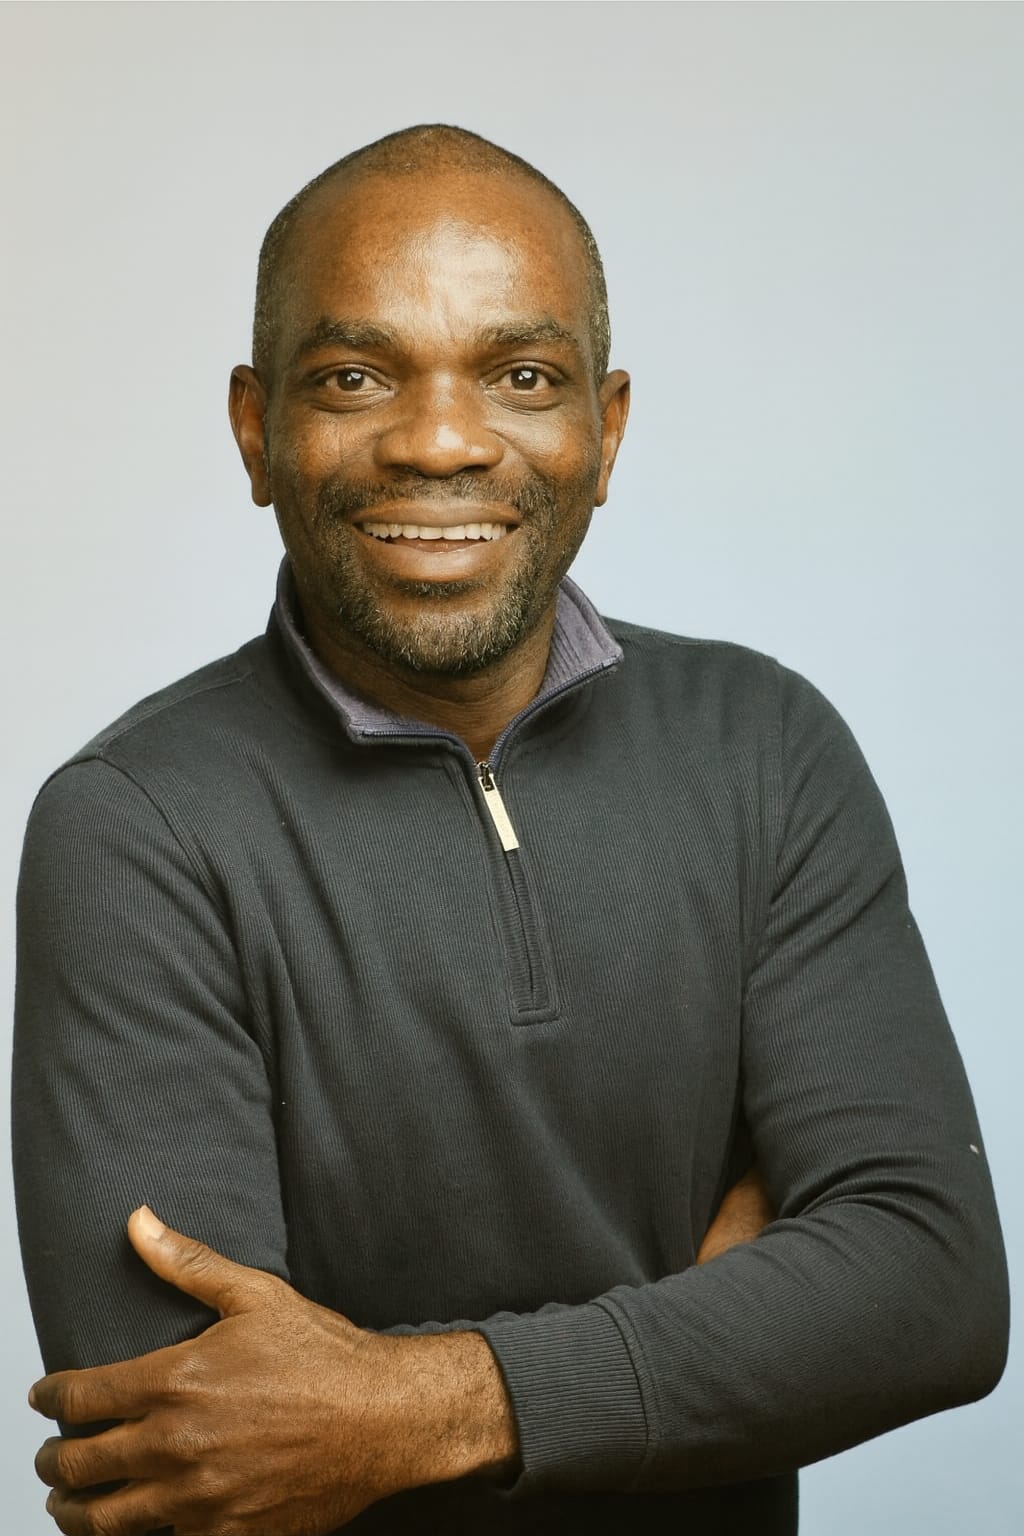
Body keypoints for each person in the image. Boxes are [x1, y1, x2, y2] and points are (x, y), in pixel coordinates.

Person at [13, 124, 1007, 1536]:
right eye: (355, 377)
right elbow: (190, 1460)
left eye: (523, 376)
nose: (440, 440)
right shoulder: (136, 827)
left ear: (606, 430)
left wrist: (415, 1406)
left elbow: (932, 1290)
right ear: (255, 429)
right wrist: (729, 1334)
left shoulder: (766, 747)